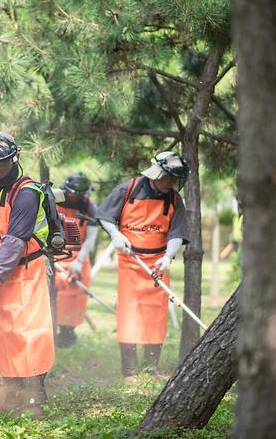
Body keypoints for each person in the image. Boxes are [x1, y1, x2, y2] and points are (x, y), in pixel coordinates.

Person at [0, 132, 54, 416]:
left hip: (25, 270)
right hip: (0, 269)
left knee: (29, 332)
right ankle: (13, 393)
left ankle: (35, 398)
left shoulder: (27, 192)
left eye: (0, 164)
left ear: (14, 158)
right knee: (7, 332)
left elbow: (16, 240)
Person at [97, 151, 190, 382]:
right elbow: (105, 215)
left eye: (174, 179)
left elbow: (177, 232)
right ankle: (129, 370)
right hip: (130, 260)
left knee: (155, 314)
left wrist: (168, 257)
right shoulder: (128, 190)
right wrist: (115, 234)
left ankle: (152, 367)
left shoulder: (175, 199)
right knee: (129, 313)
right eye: (168, 178)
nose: (172, 183)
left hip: (158, 263)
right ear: (157, 173)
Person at [54, 173, 99, 348]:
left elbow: (91, 238)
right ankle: (51, 331)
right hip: (56, 255)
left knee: (74, 297)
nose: (75, 197)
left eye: (79, 194)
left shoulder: (89, 207)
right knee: (53, 294)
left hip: (78, 256)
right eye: (73, 193)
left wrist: (79, 262)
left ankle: (68, 334)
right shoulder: (54, 200)